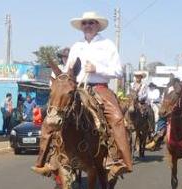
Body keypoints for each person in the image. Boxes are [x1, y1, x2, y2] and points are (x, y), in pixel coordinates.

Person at [32, 11, 132, 178]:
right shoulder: (77, 46)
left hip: (100, 88)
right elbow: (68, 70)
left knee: (117, 118)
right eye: (85, 23)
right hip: (77, 88)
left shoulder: (107, 44)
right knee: (52, 116)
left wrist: (96, 69)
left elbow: (118, 71)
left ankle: (121, 161)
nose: (87, 26)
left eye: (91, 23)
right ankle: (46, 161)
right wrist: (60, 81)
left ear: (97, 25)